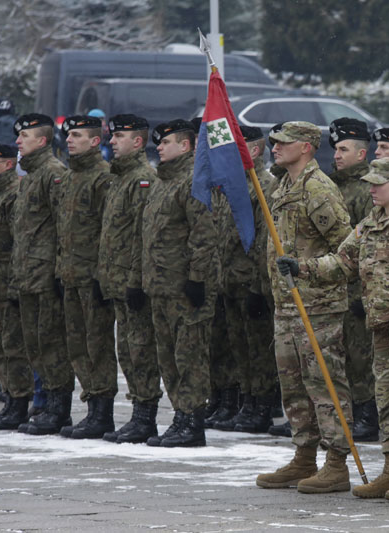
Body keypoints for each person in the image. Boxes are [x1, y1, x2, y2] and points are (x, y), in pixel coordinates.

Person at [278, 156, 389, 502]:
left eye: (378, 184)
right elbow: (343, 261)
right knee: (387, 398)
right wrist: (302, 267)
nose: (371, 189)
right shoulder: (371, 223)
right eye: (369, 183)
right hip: (382, 324)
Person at [254, 121, 354, 494]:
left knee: (325, 384)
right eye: (274, 142)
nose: (275, 147)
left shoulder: (318, 189)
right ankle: (304, 456)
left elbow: (347, 249)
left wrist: (308, 269)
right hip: (287, 303)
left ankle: (336, 462)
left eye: (284, 142)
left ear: (307, 147)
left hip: (317, 304)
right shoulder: (284, 186)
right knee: (293, 384)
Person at [142, 119, 218, 447]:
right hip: (160, 286)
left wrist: (197, 279)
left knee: (190, 357)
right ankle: (180, 416)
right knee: (168, 358)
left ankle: (193, 421)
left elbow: (204, 236)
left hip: (185, 288)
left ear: (185, 145)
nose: (159, 147)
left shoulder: (194, 181)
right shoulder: (162, 182)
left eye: (166, 142)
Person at [97, 114, 162, 444]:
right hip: (116, 280)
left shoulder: (142, 180)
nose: (112, 141)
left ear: (137, 142)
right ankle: (138, 414)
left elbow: (142, 237)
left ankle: (145, 416)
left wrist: (136, 280)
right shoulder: (119, 178)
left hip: (133, 282)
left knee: (140, 350)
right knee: (127, 349)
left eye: (118, 136)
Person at [212, 125, 279, 434]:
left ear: (252, 150)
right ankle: (247, 402)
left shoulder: (264, 187)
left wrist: (257, 287)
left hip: (251, 284)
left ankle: (262, 406)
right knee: (239, 348)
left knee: (258, 349)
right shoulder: (233, 186)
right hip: (230, 282)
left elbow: (264, 242)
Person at [12, 114, 75, 435]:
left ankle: (59, 409)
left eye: (24, 136)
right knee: (35, 343)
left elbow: (64, 227)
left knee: (52, 343)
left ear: (42, 141)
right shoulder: (31, 175)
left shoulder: (53, 173)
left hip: (47, 274)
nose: (17, 142)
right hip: (28, 274)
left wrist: (59, 272)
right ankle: (46, 402)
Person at [56, 115, 117, 440]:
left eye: (77, 135)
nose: (69, 140)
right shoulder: (70, 177)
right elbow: (63, 231)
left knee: (98, 345)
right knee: (78, 345)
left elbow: (108, 232)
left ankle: (102, 412)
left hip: (92, 277)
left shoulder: (102, 178)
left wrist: (100, 276)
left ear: (95, 141)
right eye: (69, 135)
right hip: (70, 275)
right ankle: (91, 407)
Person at [327, 118, 378, 442]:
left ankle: (367, 415)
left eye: (344, 149)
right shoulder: (336, 186)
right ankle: (348, 413)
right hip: (336, 285)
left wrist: (363, 292)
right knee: (341, 354)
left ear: (361, 154)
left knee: (361, 357)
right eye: (336, 149)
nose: (337, 155)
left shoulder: (365, 190)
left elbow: (369, 244)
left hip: (357, 288)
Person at [0, 144, 31, 430]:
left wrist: (18, 283)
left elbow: (21, 243)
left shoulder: (13, 195)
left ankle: (19, 401)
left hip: (8, 281)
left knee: (13, 345)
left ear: (8, 165)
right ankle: (8, 396)